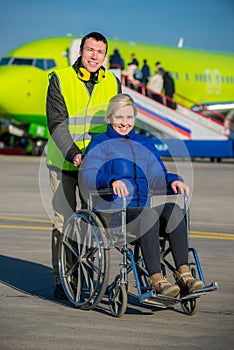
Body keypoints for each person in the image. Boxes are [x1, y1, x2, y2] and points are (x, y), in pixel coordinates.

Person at [81, 94, 204, 297]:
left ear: (135, 117)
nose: (124, 123)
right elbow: (89, 174)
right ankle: (156, 279)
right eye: (119, 117)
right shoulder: (99, 143)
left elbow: (157, 176)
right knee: (147, 215)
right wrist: (111, 180)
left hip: (142, 210)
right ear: (109, 118)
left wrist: (172, 180)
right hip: (113, 213)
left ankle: (184, 274)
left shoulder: (145, 143)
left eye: (129, 117)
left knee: (174, 208)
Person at [46, 32, 122, 299]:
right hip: (64, 162)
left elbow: (118, 123)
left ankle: (88, 271)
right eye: (90, 50)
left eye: (99, 52)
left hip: (97, 167)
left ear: (104, 56)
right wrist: (75, 154)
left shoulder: (113, 82)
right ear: (81, 51)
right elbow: (56, 122)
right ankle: (63, 278)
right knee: (63, 222)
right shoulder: (60, 79)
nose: (94, 56)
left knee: (95, 223)